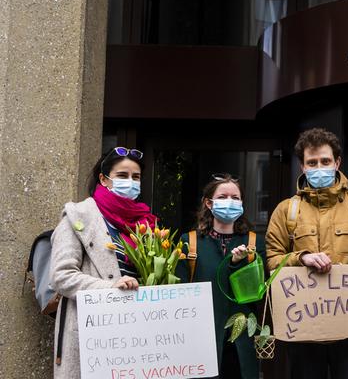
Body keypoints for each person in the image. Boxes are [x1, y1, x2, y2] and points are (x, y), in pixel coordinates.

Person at [264, 127, 348, 379]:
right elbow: (272, 262)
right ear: (302, 166)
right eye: (312, 162)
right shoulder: (285, 211)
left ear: (337, 163)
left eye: (325, 161)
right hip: (303, 331)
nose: (319, 167)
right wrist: (300, 258)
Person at [51, 147, 156, 378]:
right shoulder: (78, 216)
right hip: (92, 336)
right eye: (122, 175)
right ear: (103, 178)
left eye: (136, 177)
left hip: (137, 337)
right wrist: (110, 288)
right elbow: (61, 275)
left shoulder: (147, 224)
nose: (130, 181)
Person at [175, 174, 265, 379]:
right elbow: (179, 292)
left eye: (235, 198)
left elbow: (257, 292)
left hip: (241, 340)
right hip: (201, 337)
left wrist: (238, 264)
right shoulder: (189, 241)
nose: (230, 202)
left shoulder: (254, 242)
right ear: (209, 203)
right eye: (223, 197)